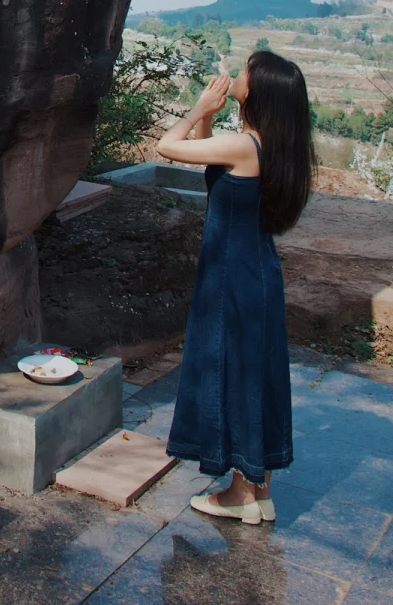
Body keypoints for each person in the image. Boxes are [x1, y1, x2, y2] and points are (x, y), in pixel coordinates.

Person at [156, 49, 316, 524]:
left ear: (258, 91)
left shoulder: (245, 146)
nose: (240, 74)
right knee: (255, 374)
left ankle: (240, 495)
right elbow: (211, 167)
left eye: (247, 71)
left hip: (230, 278)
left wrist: (197, 110)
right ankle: (258, 489)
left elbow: (167, 146)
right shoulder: (269, 145)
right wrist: (212, 120)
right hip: (257, 273)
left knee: (232, 373)